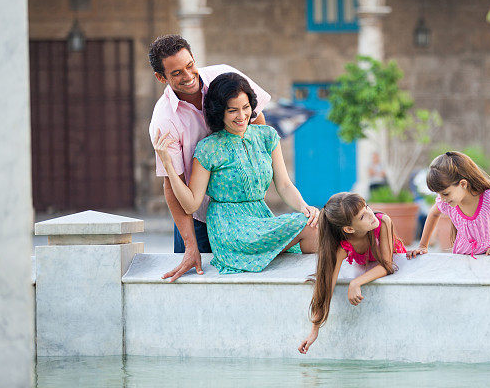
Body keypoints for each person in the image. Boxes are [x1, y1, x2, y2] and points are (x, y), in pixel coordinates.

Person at [154, 73, 319, 274]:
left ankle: (310, 294)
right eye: (232, 110)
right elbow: (191, 204)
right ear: (219, 112)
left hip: (260, 217)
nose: (241, 116)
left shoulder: (267, 136)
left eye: (246, 107)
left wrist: (304, 207)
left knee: (314, 223)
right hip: (229, 227)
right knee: (308, 228)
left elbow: (284, 184)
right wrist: (169, 166)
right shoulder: (208, 148)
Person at [148, 34, 272, 282]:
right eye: (177, 73)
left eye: (190, 64)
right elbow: (173, 186)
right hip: (198, 218)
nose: (188, 75)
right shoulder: (164, 121)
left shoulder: (225, 77)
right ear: (161, 78)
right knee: (193, 286)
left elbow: (257, 125)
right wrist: (191, 246)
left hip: (244, 208)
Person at [298, 192, 406, 354]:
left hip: (392, 260)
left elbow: (388, 265)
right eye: (362, 216)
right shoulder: (343, 246)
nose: (371, 214)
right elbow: (326, 286)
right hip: (365, 260)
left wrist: (356, 282)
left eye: (367, 207)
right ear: (349, 229)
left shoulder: (383, 221)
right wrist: (315, 329)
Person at [407, 151, 490, 259]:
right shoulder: (447, 203)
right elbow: (433, 214)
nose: (442, 199)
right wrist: (423, 246)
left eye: (445, 193)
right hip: (462, 259)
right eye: (439, 195)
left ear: (463, 184)